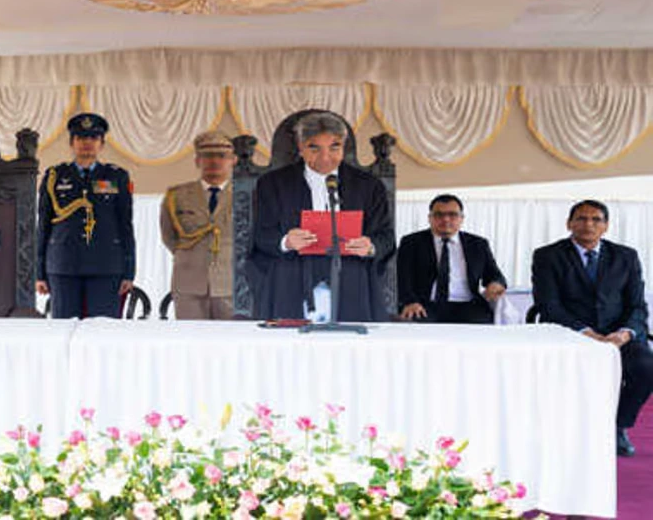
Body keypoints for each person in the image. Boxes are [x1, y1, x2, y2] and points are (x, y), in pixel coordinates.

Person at [532, 199, 652, 457]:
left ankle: (617, 425)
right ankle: (563, 428)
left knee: (646, 366)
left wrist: (624, 333)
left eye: (596, 219)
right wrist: (585, 332)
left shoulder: (626, 256)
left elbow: (637, 306)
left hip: (617, 336)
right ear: (569, 223)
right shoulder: (547, 256)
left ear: (605, 226)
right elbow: (549, 305)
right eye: (582, 219)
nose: (588, 224)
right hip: (570, 334)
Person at [252, 110, 394, 321]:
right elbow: (260, 236)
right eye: (314, 148)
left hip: (351, 280)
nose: (325, 157)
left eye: (334, 147)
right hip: (291, 279)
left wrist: (370, 246)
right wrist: (286, 242)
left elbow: (386, 238)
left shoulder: (368, 186)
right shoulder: (273, 184)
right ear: (300, 148)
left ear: (343, 147)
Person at [36, 112, 135, 319]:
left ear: (102, 144)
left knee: (103, 333)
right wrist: (39, 273)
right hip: (63, 265)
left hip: (106, 266)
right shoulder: (55, 176)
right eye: (81, 138)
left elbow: (125, 225)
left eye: (93, 138)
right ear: (72, 143)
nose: (87, 143)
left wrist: (129, 271)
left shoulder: (116, 175)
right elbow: (43, 225)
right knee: (64, 331)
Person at [160, 130, 236, 319]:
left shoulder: (247, 196)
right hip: (189, 284)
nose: (215, 161)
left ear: (233, 160)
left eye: (222, 156)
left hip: (230, 284)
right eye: (207, 156)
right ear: (197, 161)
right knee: (189, 343)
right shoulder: (176, 196)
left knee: (231, 343)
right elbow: (170, 237)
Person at [397, 194, 507, 323]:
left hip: (468, 304)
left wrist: (495, 283)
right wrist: (410, 301)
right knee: (415, 321)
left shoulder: (478, 244)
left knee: (483, 324)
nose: (446, 219)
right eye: (439, 215)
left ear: (461, 218)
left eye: (452, 214)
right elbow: (401, 277)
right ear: (430, 218)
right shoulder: (411, 242)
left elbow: (495, 275)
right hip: (425, 305)